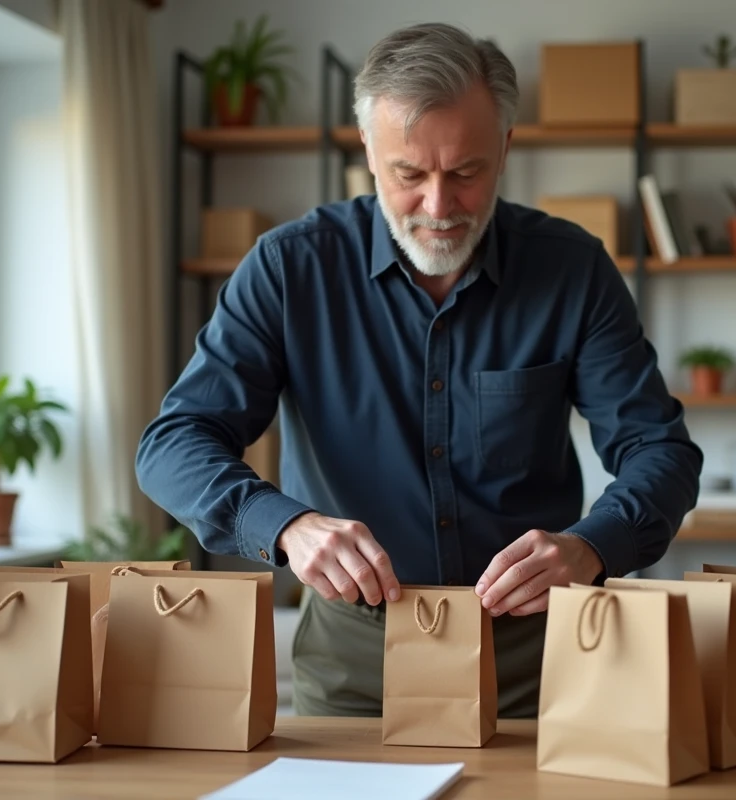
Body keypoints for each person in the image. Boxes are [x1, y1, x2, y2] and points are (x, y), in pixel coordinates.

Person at [135, 21, 703, 718]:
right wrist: (284, 526)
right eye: (410, 174)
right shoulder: (289, 269)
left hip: (544, 660)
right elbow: (174, 443)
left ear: (504, 148)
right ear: (370, 155)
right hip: (353, 667)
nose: (439, 208)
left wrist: (591, 546)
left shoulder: (572, 270)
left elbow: (659, 450)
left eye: (467, 172)